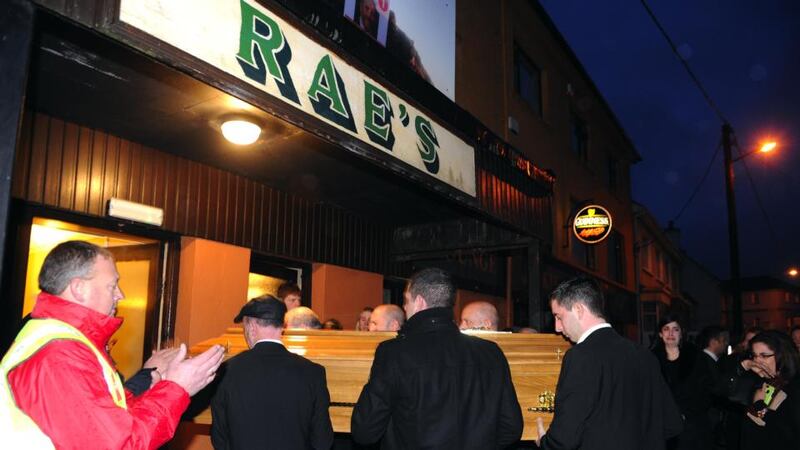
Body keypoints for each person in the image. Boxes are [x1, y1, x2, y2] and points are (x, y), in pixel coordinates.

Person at [0, 240, 224, 448]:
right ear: (79, 288)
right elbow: (119, 444)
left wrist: (159, 389)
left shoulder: (62, 340)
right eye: (112, 285)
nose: (121, 294)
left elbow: (112, 418)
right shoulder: (59, 355)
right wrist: (177, 388)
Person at [351, 268, 523, 449]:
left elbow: (364, 431)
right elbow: (511, 427)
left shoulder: (393, 353)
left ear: (418, 302)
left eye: (406, 301)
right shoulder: (491, 353)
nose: (404, 307)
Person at [536, 277, 682, 450]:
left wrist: (545, 442)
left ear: (578, 309)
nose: (557, 327)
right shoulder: (645, 356)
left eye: (558, 317)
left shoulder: (580, 356)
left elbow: (565, 438)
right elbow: (672, 424)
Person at [211, 295, 333, 449]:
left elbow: (219, 439)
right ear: (283, 326)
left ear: (251, 326)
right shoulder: (313, 372)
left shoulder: (225, 371)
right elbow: (322, 442)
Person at [726, 330, 800, 450]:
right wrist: (743, 367)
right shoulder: (757, 382)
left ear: (783, 355)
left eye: (764, 356)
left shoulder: (794, 387)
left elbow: (783, 433)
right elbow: (721, 390)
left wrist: (759, 405)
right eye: (755, 355)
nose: (757, 361)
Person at [651, 315, 714, 450]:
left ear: (681, 333)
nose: (671, 333)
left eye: (675, 329)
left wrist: (686, 413)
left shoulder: (696, 357)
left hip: (693, 424)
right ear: (660, 334)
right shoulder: (651, 360)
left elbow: (705, 390)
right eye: (666, 329)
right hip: (664, 425)